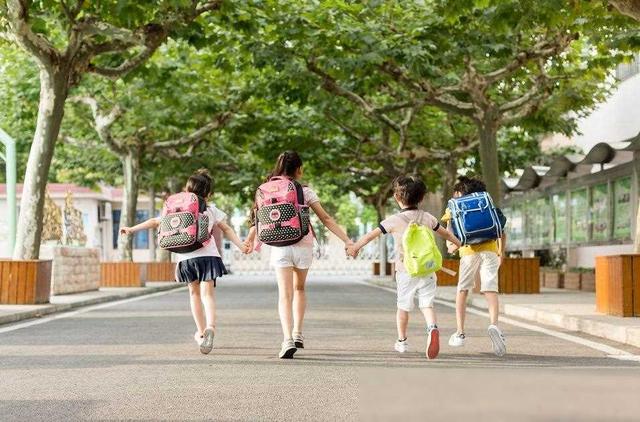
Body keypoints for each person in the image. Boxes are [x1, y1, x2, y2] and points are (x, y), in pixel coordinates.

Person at [120, 169, 250, 354]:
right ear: (208, 194)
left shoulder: (174, 211)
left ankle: (201, 332)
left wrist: (131, 229)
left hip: (187, 257)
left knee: (194, 295)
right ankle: (211, 327)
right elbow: (227, 229)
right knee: (208, 295)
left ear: (187, 189)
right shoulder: (211, 209)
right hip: (208, 255)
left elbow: (154, 222)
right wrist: (241, 245)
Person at [245, 151, 353, 359]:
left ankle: (286, 340)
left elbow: (256, 219)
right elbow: (326, 219)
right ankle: (297, 333)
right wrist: (347, 241)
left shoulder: (264, 190)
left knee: (284, 294)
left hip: (278, 246)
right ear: (299, 169)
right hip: (302, 244)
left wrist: (250, 239)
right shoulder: (305, 191)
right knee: (299, 288)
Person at [347, 175, 461, 359]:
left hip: (405, 271)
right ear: (421, 198)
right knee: (427, 304)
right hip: (428, 268)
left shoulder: (393, 220)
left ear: (396, 197)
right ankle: (432, 328)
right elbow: (446, 234)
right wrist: (459, 244)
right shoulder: (427, 217)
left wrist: (354, 247)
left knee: (403, 306)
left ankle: (402, 340)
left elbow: (370, 236)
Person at [442, 176, 507, 356]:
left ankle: (460, 332)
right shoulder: (486, 203)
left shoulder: (454, 207)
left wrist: (451, 246)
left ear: (459, 192)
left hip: (468, 253)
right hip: (491, 250)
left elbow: (450, 236)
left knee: (462, 290)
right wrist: (501, 252)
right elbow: (501, 230)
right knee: (490, 289)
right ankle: (494, 324)